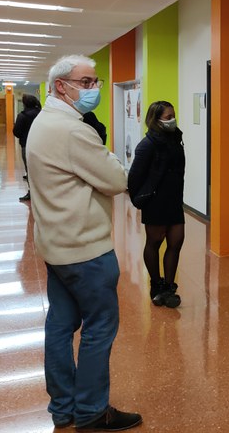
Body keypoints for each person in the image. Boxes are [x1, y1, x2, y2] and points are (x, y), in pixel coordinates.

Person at [26, 54, 141, 431]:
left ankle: (63, 408)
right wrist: (110, 160)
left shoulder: (44, 121)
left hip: (56, 246)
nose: (94, 89)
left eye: (95, 82)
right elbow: (116, 179)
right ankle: (91, 411)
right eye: (86, 82)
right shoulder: (72, 130)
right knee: (99, 327)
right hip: (85, 251)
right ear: (61, 86)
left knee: (60, 326)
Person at [127, 101, 186, 308]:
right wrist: (140, 200)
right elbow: (134, 178)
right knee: (154, 243)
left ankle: (169, 288)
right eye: (168, 117)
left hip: (174, 200)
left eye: (173, 116)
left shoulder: (175, 138)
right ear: (156, 119)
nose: (172, 120)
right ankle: (156, 284)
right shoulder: (147, 144)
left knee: (176, 242)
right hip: (156, 201)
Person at [13, 94, 42, 201]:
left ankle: (32, 192)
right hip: (42, 145)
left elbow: (16, 132)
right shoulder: (41, 114)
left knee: (29, 169)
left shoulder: (22, 116)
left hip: (27, 145)